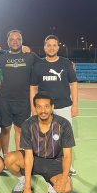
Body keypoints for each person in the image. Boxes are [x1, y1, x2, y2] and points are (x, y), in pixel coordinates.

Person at [4, 92, 74, 193]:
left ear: (52, 107)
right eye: (39, 106)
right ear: (35, 108)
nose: (43, 110)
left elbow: (67, 155)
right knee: (10, 159)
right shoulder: (28, 125)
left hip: (55, 162)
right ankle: (22, 179)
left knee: (66, 189)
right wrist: (27, 187)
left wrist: (64, 178)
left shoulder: (63, 125)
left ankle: (51, 181)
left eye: (46, 106)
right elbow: (29, 156)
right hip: (35, 159)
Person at [30, 35, 78, 175]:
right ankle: (44, 164)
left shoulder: (66, 63)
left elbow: (73, 84)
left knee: (65, 138)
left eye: (54, 45)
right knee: (44, 137)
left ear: (58, 47)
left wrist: (75, 105)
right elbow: (33, 87)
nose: (51, 48)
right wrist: (34, 107)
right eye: (48, 45)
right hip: (44, 109)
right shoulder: (38, 65)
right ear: (44, 47)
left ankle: (67, 165)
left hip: (64, 106)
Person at [0, 30, 39, 157]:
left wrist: (66, 64)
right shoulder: (2, 57)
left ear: (22, 41)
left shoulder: (30, 56)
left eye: (18, 39)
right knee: (5, 129)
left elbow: (45, 65)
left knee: (20, 130)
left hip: (23, 101)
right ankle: (5, 156)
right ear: (7, 42)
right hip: (5, 100)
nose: (15, 41)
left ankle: (18, 157)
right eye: (12, 39)